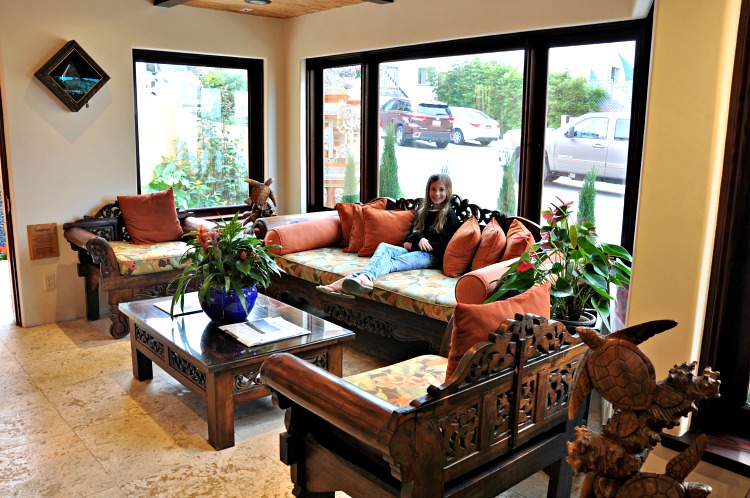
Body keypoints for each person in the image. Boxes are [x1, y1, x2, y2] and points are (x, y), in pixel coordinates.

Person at [317, 173, 460, 298]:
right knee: (383, 247)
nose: (437, 193)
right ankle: (363, 278)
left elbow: (442, 246)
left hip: (430, 257)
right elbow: (408, 238)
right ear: (428, 191)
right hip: (414, 251)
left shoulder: (449, 215)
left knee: (388, 262)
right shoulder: (423, 211)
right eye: (433, 189)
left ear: (448, 191)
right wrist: (419, 239)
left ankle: (341, 284)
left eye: (441, 190)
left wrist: (416, 242)